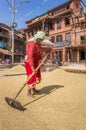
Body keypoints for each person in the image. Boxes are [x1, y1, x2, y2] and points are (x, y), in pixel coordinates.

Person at [24, 31, 45, 98]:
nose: (41, 41)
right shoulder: (32, 44)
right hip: (29, 62)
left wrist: (41, 58)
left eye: (42, 40)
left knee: (36, 75)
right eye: (40, 39)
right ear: (37, 38)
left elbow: (38, 53)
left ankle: (33, 89)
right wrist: (32, 67)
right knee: (31, 75)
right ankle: (28, 92)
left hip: (35, 61)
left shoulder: (39, 44)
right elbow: (30, 56)